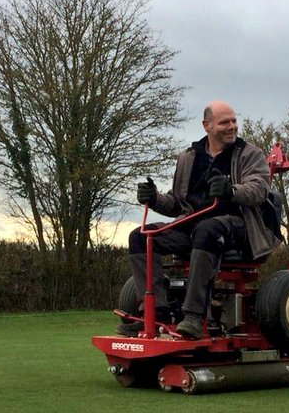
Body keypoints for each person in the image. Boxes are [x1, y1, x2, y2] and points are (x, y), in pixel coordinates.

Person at [118, 101, 280, 339]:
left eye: (234, 121)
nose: (232, 126)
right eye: (225, 122)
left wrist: (230, 191)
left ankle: (194, 316)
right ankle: (156, 313)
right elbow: (177, 204)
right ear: (206, 125)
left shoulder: (249, 154)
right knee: (140, 237)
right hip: (193, 226)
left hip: (239, 227)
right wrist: (153, 199)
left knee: (208, 228)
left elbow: (258, 191)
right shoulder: (188, 157)